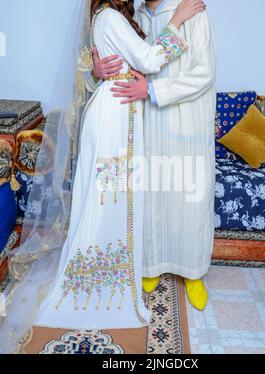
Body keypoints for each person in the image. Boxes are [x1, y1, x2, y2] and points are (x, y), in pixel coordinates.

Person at [31, 0, 205, 330]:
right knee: (110, 200)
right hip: (115, 116)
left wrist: (127, 67)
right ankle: (98, 283)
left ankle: (105, 276)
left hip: (118, 109)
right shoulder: (109, 16)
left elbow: (134, 60)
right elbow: (151, 60)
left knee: (110, 199)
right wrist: (179, 20)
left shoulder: (111, 16)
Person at [88, 0, 216, 311]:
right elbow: (120, 62)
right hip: (145, 122)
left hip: (185, 119)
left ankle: (193, 271)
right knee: (151, 196)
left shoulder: (191, 9)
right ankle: (152, 265)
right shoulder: (133, 15)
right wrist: (95, 71)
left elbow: (204, 72)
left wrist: (155, 91)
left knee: (190, 199)